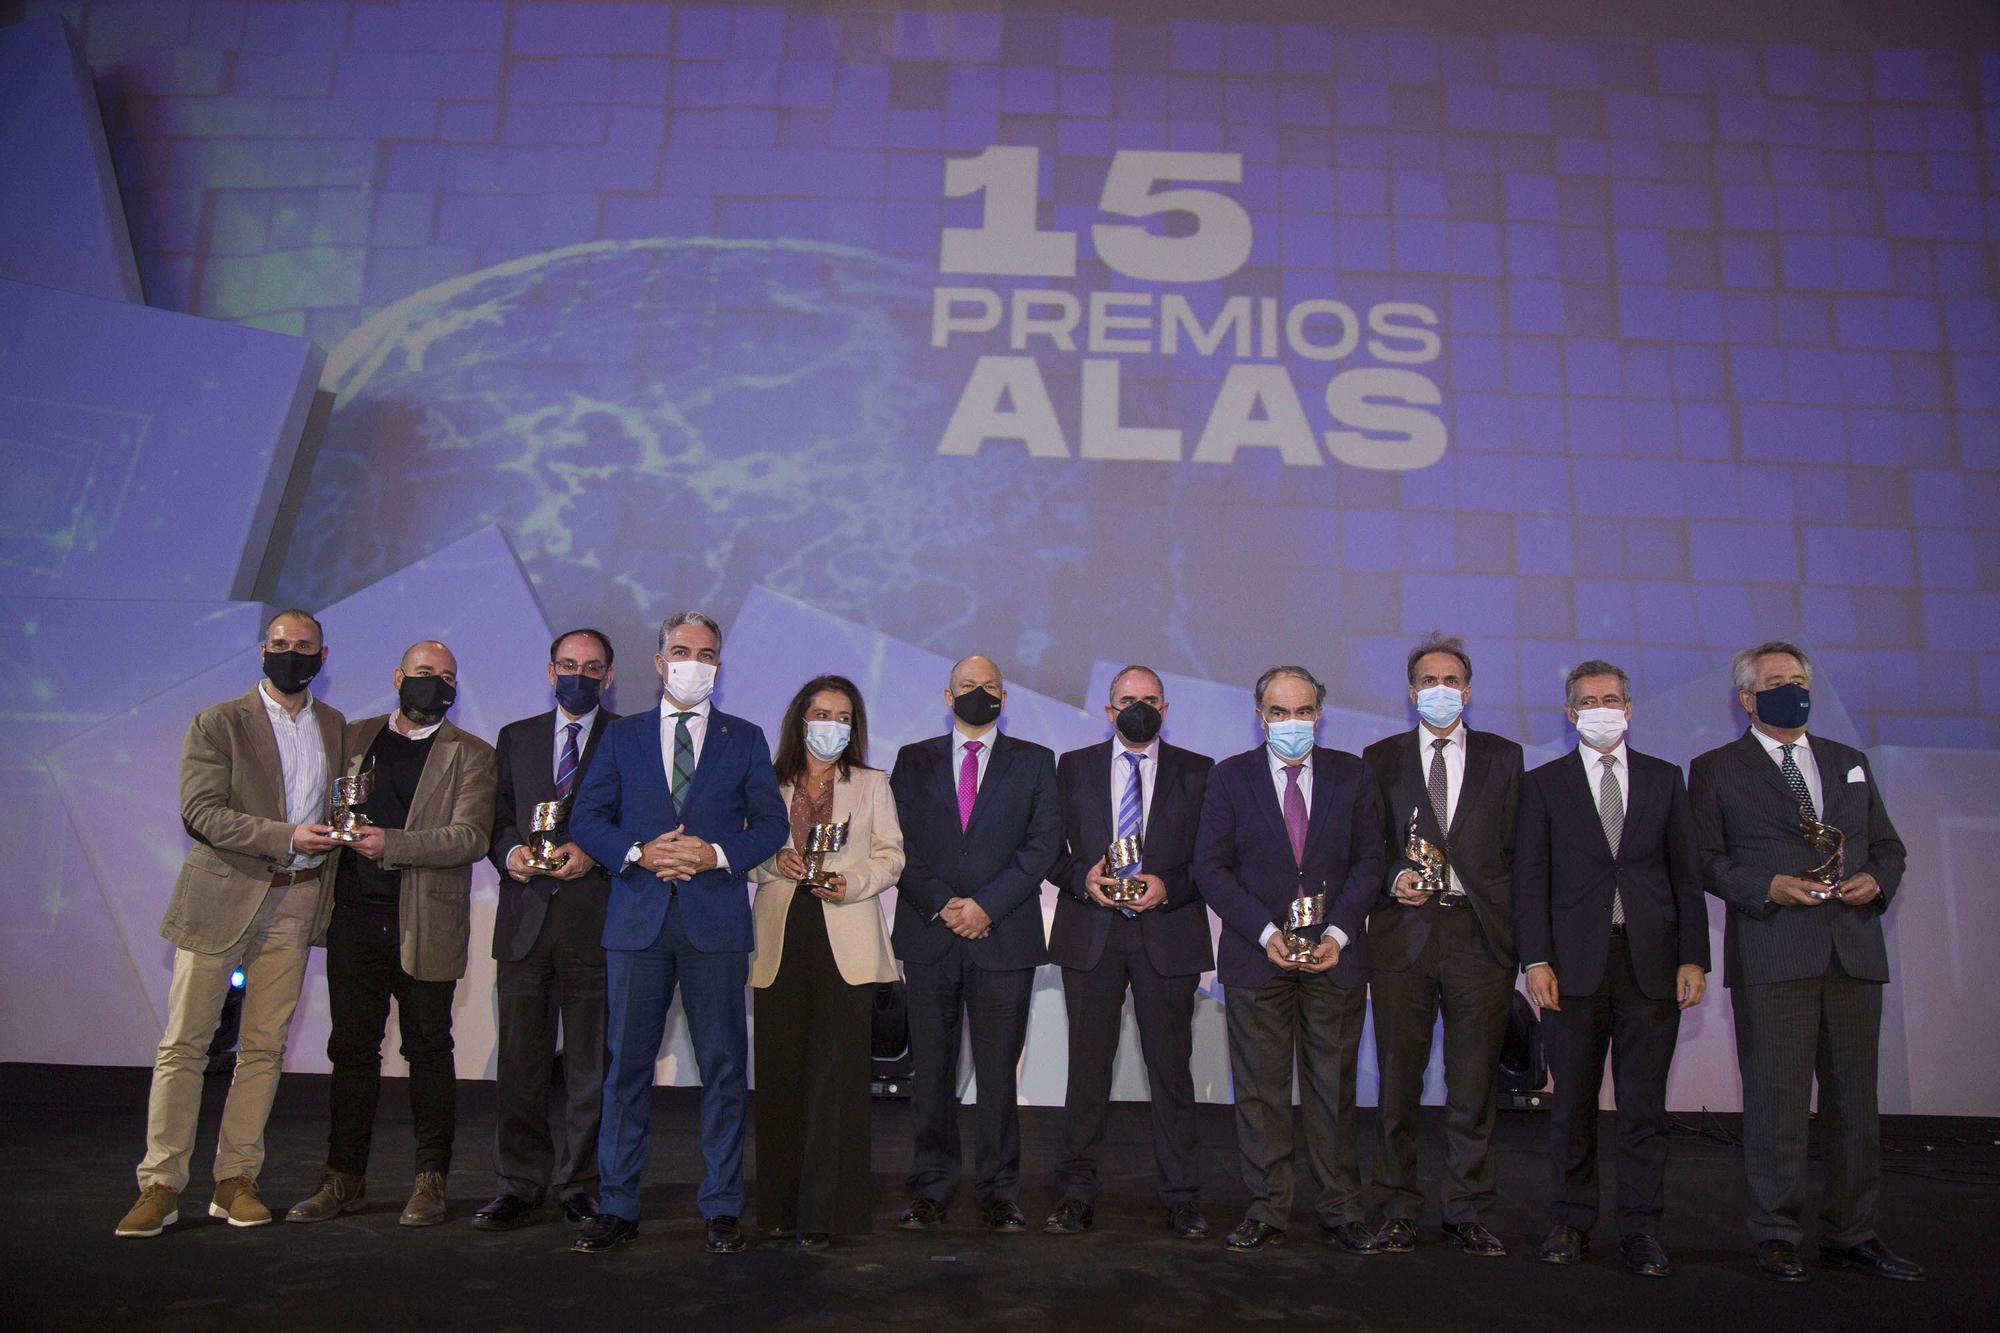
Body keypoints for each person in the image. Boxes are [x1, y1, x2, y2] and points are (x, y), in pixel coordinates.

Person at [1689, 641, 1922, 1284]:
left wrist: (1876, 880)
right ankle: (1776, 1233)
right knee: (1776, 1102)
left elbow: (1890, 849)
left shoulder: (1849, 762)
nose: (1790, 688)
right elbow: (1705, 860)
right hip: (1774, 952)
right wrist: (1768, 886)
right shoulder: (1715, 768)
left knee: (1854, 1104)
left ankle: (1853, 1232)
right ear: (1747, 698)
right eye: (1775, 681)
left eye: (1798, 679)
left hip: (1851, 952)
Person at [116, 611, 345, 1237]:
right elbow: (201, 813)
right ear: (261, 651)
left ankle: (236, 1178)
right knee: (185, 1044)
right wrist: (286, 835)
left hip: (298, 898)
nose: (290, 654)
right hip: (223, 895)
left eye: (302, 647)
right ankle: (160, 1184)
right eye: (279, 645)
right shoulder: (219, 721)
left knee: (265, 1049)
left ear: (322, 657)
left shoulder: (334, 726)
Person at [567, 612, 788, 1255]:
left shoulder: (743, 738)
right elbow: (588, 816)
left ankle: (721, 1207)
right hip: (637, 921)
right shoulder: (623, 736)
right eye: (683, 651)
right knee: (626, 1071)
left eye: (708, 653)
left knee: (722, 1069)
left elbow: (770, 826)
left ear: (719, 665)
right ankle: (618, 1204)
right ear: (659, 661)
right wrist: (638, 852)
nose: (696, 661)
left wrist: (714, 854)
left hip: (714, 922)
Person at [286, 640, 496, 1229]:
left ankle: (430, 1179)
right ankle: (341, 1177)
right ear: (399, 676)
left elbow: (471, 837)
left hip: (427, 920)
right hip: (353, 916)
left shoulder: (472, 754)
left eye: (447, 676)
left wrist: (394, 845)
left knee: (428, 1049)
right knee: (351, 1050)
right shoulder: (353, 737)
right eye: (425, 673)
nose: (436, 683)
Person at [1513, 660, 1709, 1276]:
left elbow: (1687, 876)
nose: (1601, 708)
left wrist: (1694, 957)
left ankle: (1642, 1229)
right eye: (1588, 700)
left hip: (1651, 964)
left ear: (1629, 707)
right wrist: (1536, 959)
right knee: (1571, 1104)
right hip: (1570, 968)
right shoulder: (1544, 784)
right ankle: (1570, 1222)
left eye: (1612, 698)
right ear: (1570, 713)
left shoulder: (1663, 778)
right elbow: (1530, 881)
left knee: (1644, 1108)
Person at [1194, 664, 1382, 1253]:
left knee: (1332, 1090)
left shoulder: (1353, 776)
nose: (1292, 722)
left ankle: (1342, 1210)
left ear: (1319, 715)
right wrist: (1266, 931)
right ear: (1260, 717)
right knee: (1261, 1092)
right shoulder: (1229, 778)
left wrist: (1341, 935)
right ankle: (1267, 1209)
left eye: (1303, 711)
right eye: (1279, 712)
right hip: (1258, 958)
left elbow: (1371, 861)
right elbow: (1210, 868)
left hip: (1335, 959)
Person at [1361, 633, 1523, 1257]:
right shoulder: (1380, 758)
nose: (1440, 689)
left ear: (1469, 690)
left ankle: (1465, 1211)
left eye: (1451, 679)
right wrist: (1391, 877)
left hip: (1480, 938)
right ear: (1411, 692)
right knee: (1398, 1081)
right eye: (1428, 680)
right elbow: (1366, 848)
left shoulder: (1504, 758)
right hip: (1403, 935)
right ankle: (1399, 1209)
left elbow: (1517, 853)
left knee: (1472, 1083)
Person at [889, 655, 1061, 1233]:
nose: (978, 694)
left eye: (989, 687)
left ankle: (999, 1192)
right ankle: (930, 1187)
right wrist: (944, 904)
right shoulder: (912, 761)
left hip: (1003, 936)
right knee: (931, 1072)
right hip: (930, 934)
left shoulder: (1035, 762)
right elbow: (897, 844)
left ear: (1005, 698)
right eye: (968, 686)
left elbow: (1042, 846)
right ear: (947, 694)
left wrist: (986, 905)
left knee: (996, 1076)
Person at [1043, 665, 1214, 1241]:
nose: (1137, 708)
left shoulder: (1199, 771)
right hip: (1092, 932)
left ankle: (1182, 1198)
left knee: (1172, 1074)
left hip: (1168, 934)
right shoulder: (1073, 767)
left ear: (1165, 710)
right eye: (1126, 700)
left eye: (1149, 700)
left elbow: (1214, 860)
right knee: (1087, 1072)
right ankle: (1074, 1195)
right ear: (1109, 710)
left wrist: (1171, 886)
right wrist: (1079, 879)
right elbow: (1047, 847)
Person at [748, 674, 905, 1251]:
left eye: (842, 717)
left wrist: (852, 881)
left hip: (847, 932)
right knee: (781, 1075)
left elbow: (892, 857)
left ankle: (829, 1211)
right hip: (781, 936)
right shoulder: (766, 780)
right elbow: (742, 853)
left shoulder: (871, 783)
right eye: (821, 713)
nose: (831, 725)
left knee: (837, 1081)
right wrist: (773, 863)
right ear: (799, 718)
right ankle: (780, 1208)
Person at [474, 629, 620, 1232]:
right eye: (567, 665)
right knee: (520, 1065)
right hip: (525, 922)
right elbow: (496, 819)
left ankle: (580, 1183)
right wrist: (509, 854)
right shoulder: (515, 737)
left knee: (590, 1069)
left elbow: (637, 820)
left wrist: (592, 853)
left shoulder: (628, 738)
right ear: (549, 669)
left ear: (609, 676)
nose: (578, 675)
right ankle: (519, 1183)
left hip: (596, 922)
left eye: (591, 667)